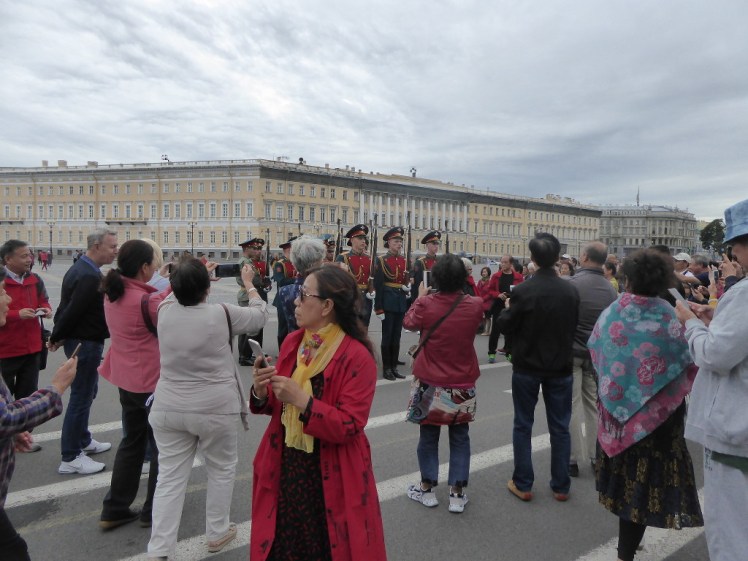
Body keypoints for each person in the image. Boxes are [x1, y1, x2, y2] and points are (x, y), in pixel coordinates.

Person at [250, 265, 387, 560]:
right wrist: (261, 391)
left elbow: (350, 424)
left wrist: (304, 401)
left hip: (330, 473)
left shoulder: (357, 356)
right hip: (288, 466)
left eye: (303, 294)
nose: (295, 302)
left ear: (327, 306)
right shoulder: (294, 342)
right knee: (284, 543)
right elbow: (278, 406)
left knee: (328, 546)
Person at [147, 257, 268, 558]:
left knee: (170, 477)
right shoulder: (221, 313)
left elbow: (175, 292)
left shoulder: (163, 310)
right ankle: (216, 532)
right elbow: (260, 315)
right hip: (215, 407)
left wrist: (190, 276)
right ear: (207, 287)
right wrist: (250, 285)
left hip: (169, 406)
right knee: (221, 468)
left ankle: (160, 548)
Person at [590, 248, 703, 561]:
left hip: (617, 418)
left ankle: (627, 547)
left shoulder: (614, 311)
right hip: (660, 419)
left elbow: (596, 349)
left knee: (626, 479)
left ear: (628, 278)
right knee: (644, 482)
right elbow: (690, 360)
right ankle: (628, 548)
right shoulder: (671, 316)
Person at [675, 197, 748, 561]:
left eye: (735, 244)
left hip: (736, 433)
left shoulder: (746, 294)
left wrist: (689, 321)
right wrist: (714, 320)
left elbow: (714, 356)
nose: (732, 253)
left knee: (731, 535)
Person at [0, 267, 79, 561]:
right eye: (1, 292)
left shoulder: (35, 279)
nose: (8, 299)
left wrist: (9, 434)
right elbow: (3, 417)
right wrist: (55, 389)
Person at [497, 233, 579, 502]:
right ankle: (560, 485)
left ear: (532, 260)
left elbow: (506, 325)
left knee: (523, 424)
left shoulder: (523, 290)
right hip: (560, 366)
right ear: (557, 259)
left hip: (527, 366)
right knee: (560, 426)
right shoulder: (570, 290)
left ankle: (523, 482)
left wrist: (508, 307)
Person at [98, 240, 170, 531]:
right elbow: (161, 307)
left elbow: (152, 297)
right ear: (144, 268)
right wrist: (176, 284)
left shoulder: (112, 293)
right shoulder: (146, 301)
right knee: (162, 446)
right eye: (151, 264)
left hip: (125, 379)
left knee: (132, 442)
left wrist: (164, 281)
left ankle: (114, 507)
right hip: (151, 382)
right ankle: (153, 510)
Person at [403, 254, 483, 513]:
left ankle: (427, 489)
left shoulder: (426, 303)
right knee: (460, 436)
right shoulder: (475, 304)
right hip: (461, 381)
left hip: (430, 381)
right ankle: (457, 494)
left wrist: (419, 296)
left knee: (428, 435)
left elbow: (409, 323)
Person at [49, 228, 118, 475]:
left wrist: (58, 334)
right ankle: (70, 456)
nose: (116, 250)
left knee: (87, 394)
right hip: (85, 342)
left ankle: (83, 440)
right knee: (81, 397)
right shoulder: (88, 274)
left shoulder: (83, 268)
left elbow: (65, 306)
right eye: (112, 246)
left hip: (84, 340)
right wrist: (56, 336)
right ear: (97, 246)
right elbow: (71, 311)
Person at [567, 242, 618, 477]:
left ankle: (573, 458)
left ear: (585, 257)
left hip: (572, 351)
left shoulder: (573, 284)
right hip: (595, 355)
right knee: (593, 406)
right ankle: (597, 456)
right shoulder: (610, 289)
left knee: (572, 405)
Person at [0, 240, 53, 453]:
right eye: (24, 256)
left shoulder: (35, 279)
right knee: (5, 399)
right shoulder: (1, 281)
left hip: (31, 347)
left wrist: (46, 309)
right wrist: (15, 315)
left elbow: (45, 300)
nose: (29, 260)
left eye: (30, 255)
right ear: (8, 259)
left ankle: (23, 438)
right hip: (5, 349)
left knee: (27, 396)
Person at [373, 226, 410, 380]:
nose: (399, 244)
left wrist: (407, 287)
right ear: (388, 242)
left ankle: (394, 366)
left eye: (400, 241)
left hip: (400, 301)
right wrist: (379, 307)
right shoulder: (381, 260)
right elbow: (379, 286)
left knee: (397, 336)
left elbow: (406, 280)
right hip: (387, 302)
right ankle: (387, 368)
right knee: (387, 336)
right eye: (396, 241)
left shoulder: (404, 260)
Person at [276, 235, 326, 335]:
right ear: (319, 262)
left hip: (294, 343)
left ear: (294, 264)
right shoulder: (324, 289)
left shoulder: (284, 291)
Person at [237, 238, 270, 365]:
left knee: (247, 327)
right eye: (254, 248)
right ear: (247, 249)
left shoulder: (248, 261)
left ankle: (246, 353)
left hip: (249, 294)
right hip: (247, 295)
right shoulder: (245, 262)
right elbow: (247, 279)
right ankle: (245, 356)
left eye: (258, 249)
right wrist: (262, 282)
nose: (257, 251)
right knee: (252, 327)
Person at [336, 224, 375, 327]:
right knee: (351, 329)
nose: (363, 241)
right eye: (360, 238)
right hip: (351, 299)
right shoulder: (342, 258)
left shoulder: (369, 259)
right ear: (352, 240)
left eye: (364, 239)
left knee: (364, 329)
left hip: (366, 300)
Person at [486, 254, 523, 362]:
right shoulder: (496, 276)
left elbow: (521, 290)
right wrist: (498, 294)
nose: (502, 264)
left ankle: (509, 352)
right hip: (498, 305)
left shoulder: (518, 277)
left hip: (511, 305)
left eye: (505, 262)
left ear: (511, 264)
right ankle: (491, 353)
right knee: (495, 330)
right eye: (501, 262)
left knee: (510, 330)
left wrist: (513, 297)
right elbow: (490, 290)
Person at [272, 236, 299, 349]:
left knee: (296, 326)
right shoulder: (280, 264)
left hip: (296, 297)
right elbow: (281, 281)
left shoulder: (298, 262)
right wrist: (298, 279)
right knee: (283, 326)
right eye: (291, 250)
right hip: (283, 298)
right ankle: (282, 349)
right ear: (286, 251)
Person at [410, 231, 440, 306]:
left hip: (438, 298)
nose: (436, 246)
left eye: (437, 244)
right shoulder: (420, 262)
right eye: (434, 244)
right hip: (425, 298)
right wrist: (416, 301)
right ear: (427, 245)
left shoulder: (441, 262)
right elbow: (416, 285)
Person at [476, 266, 493, 335]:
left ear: (488, 273)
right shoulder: (480, 281)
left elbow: (490, 293)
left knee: (487, 317)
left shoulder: (490, 281)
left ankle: (487, 331)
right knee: (482, 316)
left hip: (487, 302)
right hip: (480, 301)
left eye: (485, 272)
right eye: (483, 272)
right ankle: (482, 329)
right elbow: (477, 290)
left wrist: (483, 299)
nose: (483, 273)